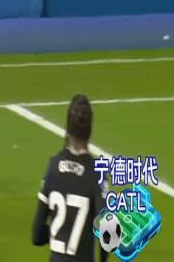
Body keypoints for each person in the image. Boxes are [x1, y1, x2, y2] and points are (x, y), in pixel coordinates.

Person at [32, 94, 108, 262]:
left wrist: (58, 234)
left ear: (67, 127)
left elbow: (36, 235)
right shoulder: (97, 173)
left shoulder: (53, 166)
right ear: (90, 130)